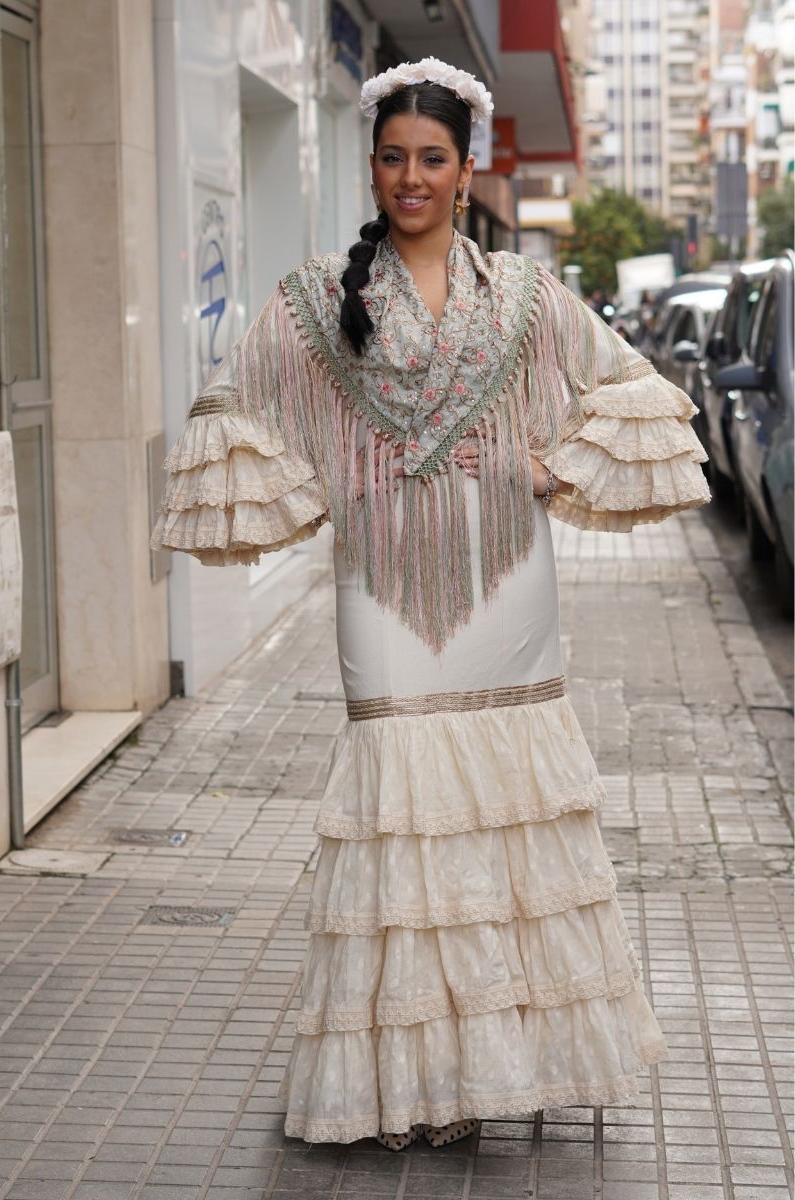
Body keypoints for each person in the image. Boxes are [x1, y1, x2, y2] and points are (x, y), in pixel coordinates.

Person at [151, 57, 711, 1151]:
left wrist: (553, 469)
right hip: (381, 597)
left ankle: (494, 1068)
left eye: (433, 160)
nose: (412, 178)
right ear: (370, 166)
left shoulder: (525, 295)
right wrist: (321, 485)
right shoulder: (319, 296)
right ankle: (405, 1083)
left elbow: (630, 383)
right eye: (394, 159)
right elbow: (235, 400)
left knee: (507, 822)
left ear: (466, 171)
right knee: (399, 816)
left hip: (508, 580)